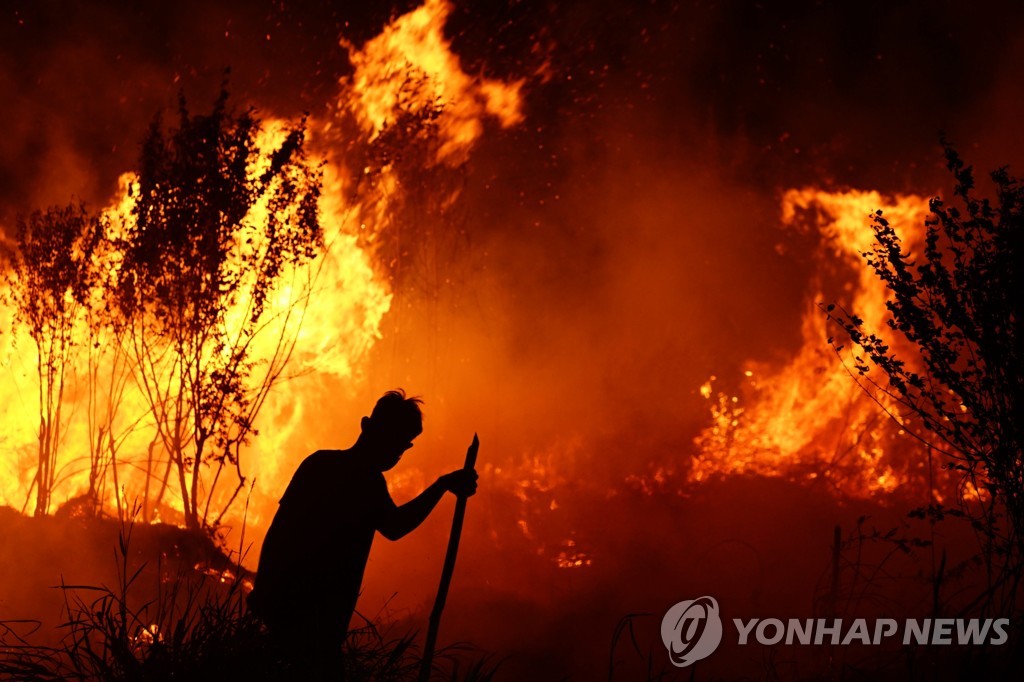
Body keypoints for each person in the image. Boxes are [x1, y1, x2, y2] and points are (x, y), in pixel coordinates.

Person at [249, 389, 478, 676]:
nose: (394, 452)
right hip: (307, 612)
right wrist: (442, 486)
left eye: (400, 445)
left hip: (306, 612)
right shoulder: (351, 477)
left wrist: (264, 588)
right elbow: (394, 527)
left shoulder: (325, 466)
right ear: (366, 427)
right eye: (393, 441)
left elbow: (278, 530)